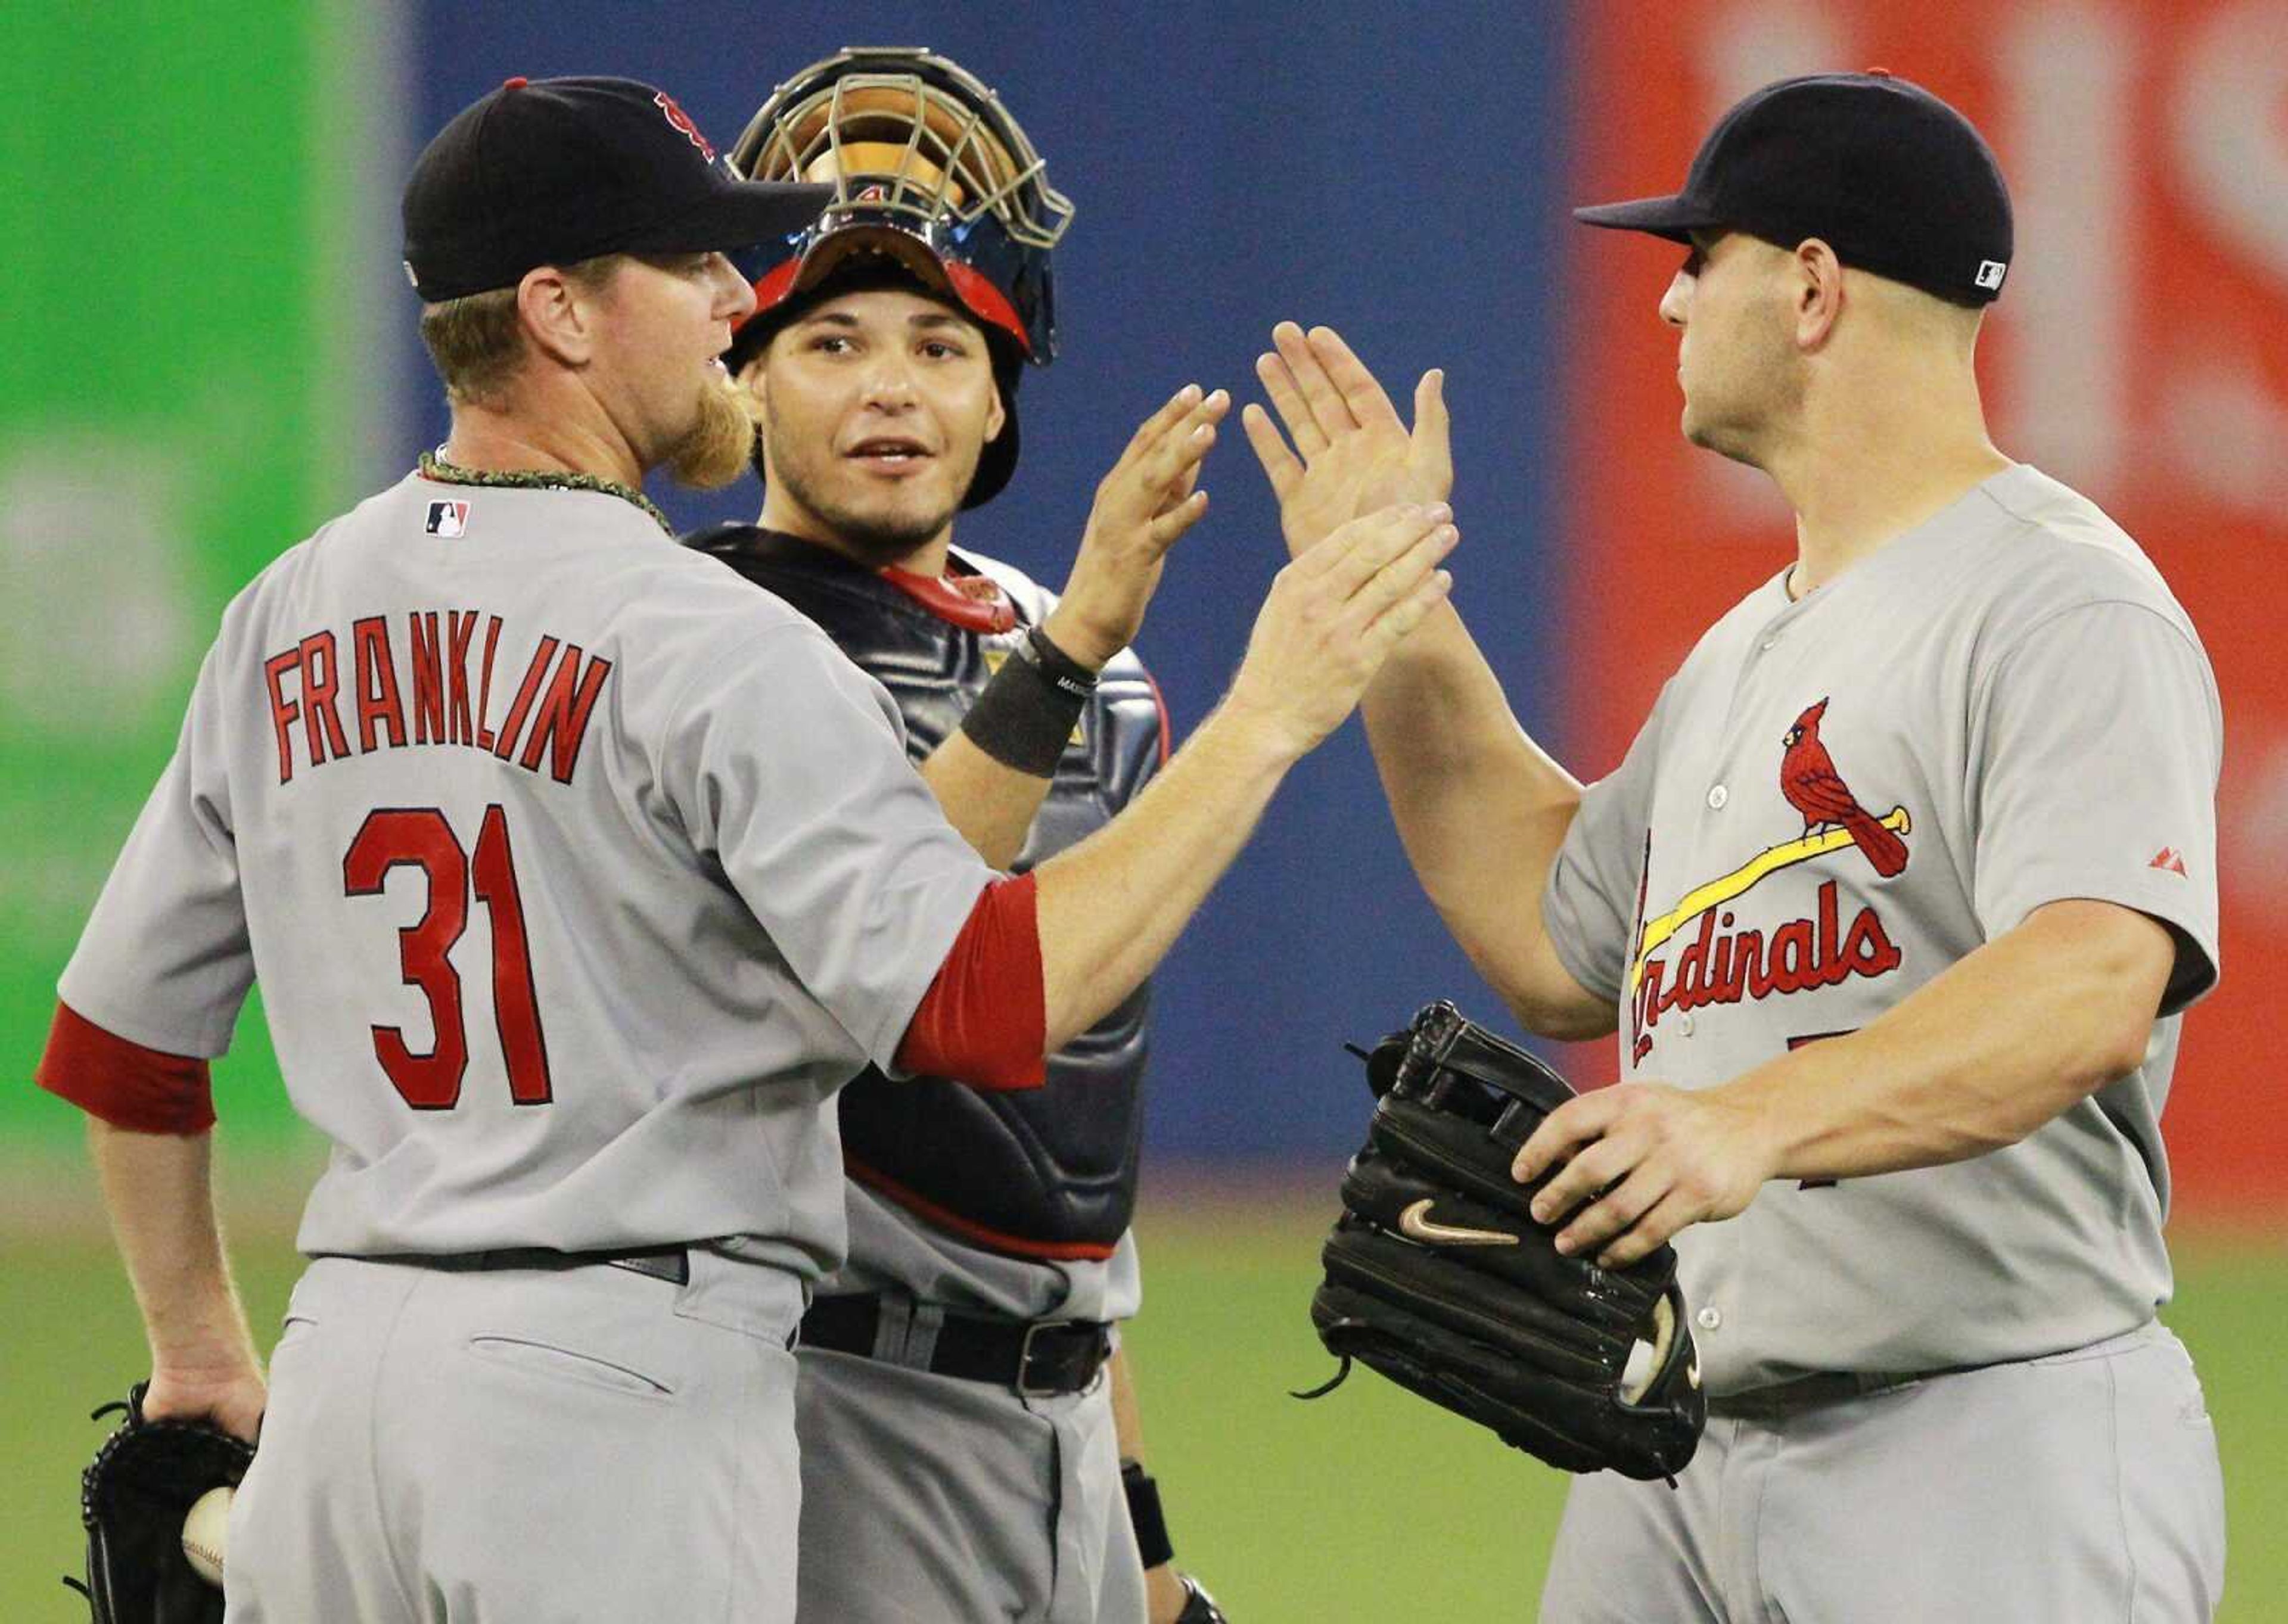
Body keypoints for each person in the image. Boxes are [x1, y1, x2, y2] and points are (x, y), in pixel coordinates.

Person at [32, 73, 1456, 1623]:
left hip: (343, 1382)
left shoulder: (286, 613)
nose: (733, 296)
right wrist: (1272, 707)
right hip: (616, 1392)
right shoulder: (701, 635)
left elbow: (123, 1050)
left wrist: (199, 1355)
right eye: (695, 262)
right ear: (561, 313)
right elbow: (971, 1003)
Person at [1241, 71, 2224, 1624]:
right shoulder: (1743, 656)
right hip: (1683, 1448)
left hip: (1982, 1450)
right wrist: (1397, 615)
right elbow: (1549, 934)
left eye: (1700, 259)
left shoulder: (2056, 603)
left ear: (1815, 286)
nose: (1670, 304)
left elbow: (2095, 974)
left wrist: (1746, 1121)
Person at [686, 49, 1224, 1624]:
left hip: (1055, 1434)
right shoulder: (693, 638)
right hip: (816, 1401)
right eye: (831, 340)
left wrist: (1143, 1534)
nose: (890, 388)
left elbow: (1076, 1178)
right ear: (748, 376)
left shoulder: (1102, 668)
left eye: (939, 343)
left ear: (999, 394)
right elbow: (900, 957)